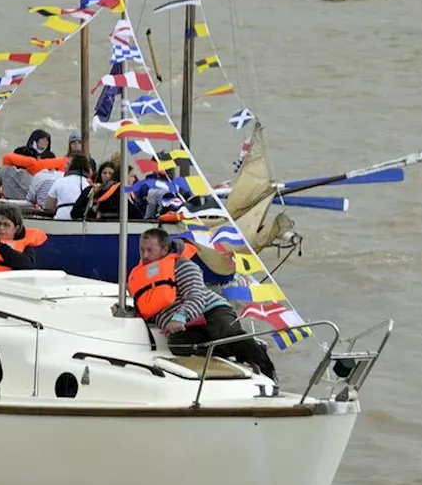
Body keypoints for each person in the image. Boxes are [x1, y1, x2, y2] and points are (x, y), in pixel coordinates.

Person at [128, 228, 278, 380]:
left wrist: (180, 316)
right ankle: (230, 354)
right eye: (142, 250)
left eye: (150, 250)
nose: (145, 255)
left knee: (227, 334)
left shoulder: (182, 266)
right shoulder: (141, 275)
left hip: (211, 310)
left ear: (164, 249)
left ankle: (265, 366)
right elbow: (148, 307)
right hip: (186, 327)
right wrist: (132, 312)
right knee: (177, 345)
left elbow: (195, 296)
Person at [45, 155, 92, 219]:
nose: (64, 166)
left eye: (67, 164)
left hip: (60, 217)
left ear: (71, 166)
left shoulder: (59, 181)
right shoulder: (88, 184)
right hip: (80, 219)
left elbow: (49, 207)